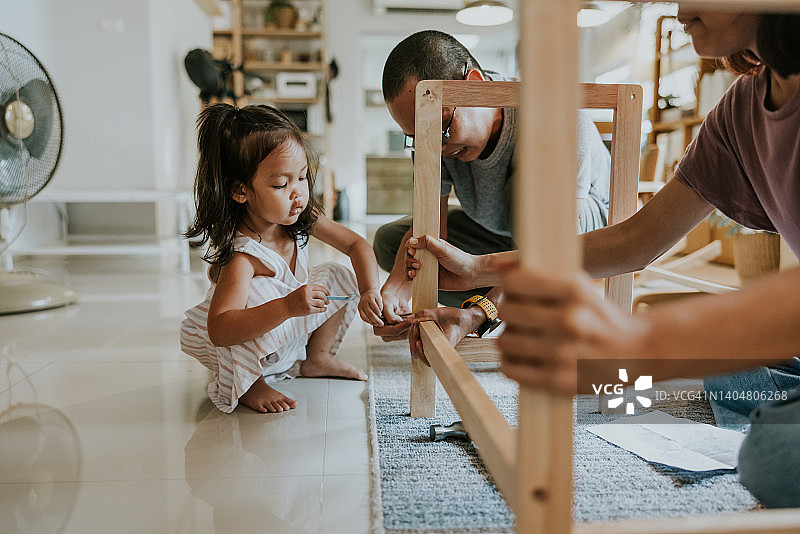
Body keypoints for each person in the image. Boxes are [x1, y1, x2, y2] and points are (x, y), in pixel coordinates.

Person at [405, 9, 800, 508]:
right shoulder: (738, 112)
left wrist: (641, 343)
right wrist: (479, 268)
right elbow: (635, 241)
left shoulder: (552, 122)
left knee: (772, 457)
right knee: (716, 374)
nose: (679, 11)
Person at [372, 29, 612, 349]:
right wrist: (393, 294)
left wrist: (477, 314)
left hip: (579, 237)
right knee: (390, 242)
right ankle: (511, 302)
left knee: (524, 190)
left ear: (474, 83)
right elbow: (429, 229)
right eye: (418, 137)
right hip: (504, 237)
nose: (436, 147)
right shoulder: (433, 137)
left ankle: (501, 309)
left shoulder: (554, 115)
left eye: (442, 129)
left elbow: (555, 248)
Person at [181, 104, 383, 414]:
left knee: (338, 274)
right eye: (280, 185)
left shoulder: (301, 216)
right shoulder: (242, 256)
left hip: (285, 336)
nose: (297, 193)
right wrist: (288, 306)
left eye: (302, 178)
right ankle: (251, 383)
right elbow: (220, 329)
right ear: (240, 191)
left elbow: (356, 245)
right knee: (256, 294)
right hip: (241, 347)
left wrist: (370, 290)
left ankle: (316, 358)